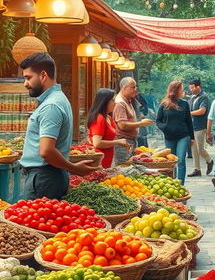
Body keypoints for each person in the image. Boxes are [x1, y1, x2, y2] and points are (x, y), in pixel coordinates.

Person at [19, 53, 95, 199]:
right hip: (46, 176)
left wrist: (74, 169)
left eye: (28, 78)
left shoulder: (51, 106)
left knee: (32, 221)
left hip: (43, 178)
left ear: (43, 75)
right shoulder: (58, 99)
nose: (25, 84)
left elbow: (46, 151)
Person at [156, 81, 194, 185]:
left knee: (180, 160)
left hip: (183, 135)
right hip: (169, 137)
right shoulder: (164, 104)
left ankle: (180, 185)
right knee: (171, 161)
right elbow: (158, 121)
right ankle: (172, 183)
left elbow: (189, 121)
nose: (183, 91)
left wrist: (192, 137)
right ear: (176, 90)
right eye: (181, 89)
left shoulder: (184, 104)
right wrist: (165, 128)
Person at [113, 77, 153, 164]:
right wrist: (140, 123)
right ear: (124, 88)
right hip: (123, 142)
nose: (135, 90)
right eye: (133, 87)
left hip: (129, 141)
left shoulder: (128, 100)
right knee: (124, 167)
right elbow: (122, 125)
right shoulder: (120, 103)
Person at [87, 89, 131, 168]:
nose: (115, 103)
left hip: (107, 159)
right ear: (104, 102)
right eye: (113, 100)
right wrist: (117, 142)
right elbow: (97, 143)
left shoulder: (108, 117)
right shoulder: (99, 118)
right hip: (99, 161)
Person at [187, 79, 213, 177]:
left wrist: (188, 114)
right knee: (194, 149)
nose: (191, 90)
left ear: (198, 87)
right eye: (190, 88)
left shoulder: (204, 97)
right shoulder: (192, 98)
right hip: (192, 126)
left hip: (201, 126)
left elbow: (202, 111)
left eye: (193, 87)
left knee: (200, 150)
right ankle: (197, 169)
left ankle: (209, 160)